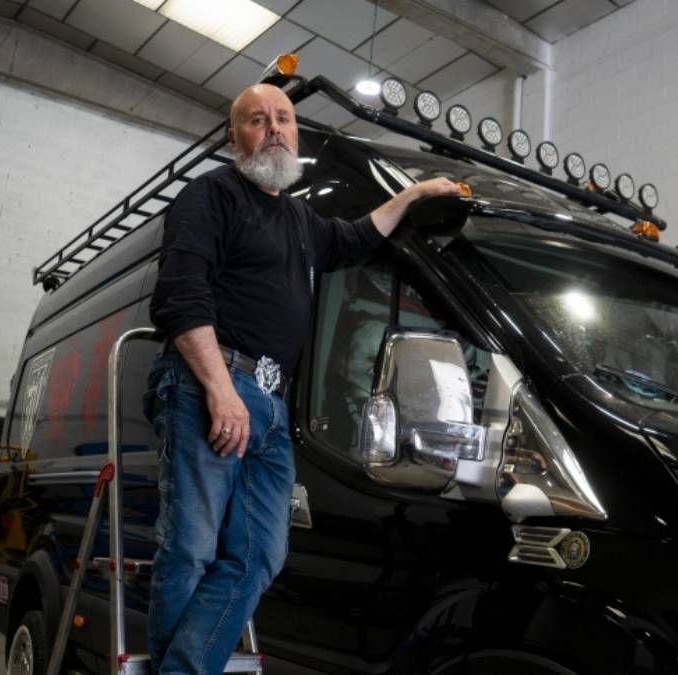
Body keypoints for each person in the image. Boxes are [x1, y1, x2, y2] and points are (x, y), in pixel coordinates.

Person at [144, 82, 460, 675]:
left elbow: (355, 239)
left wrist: (413, 194)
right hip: (213, 387)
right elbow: (180, 297)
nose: (274, 129)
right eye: (257, 119)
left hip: (269, 404)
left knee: (260, 554)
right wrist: (220, 390)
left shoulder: (299, 219)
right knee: (191, 548)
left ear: (296, 134)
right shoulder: (211, 195)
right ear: (233, 137)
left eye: (284, 119)